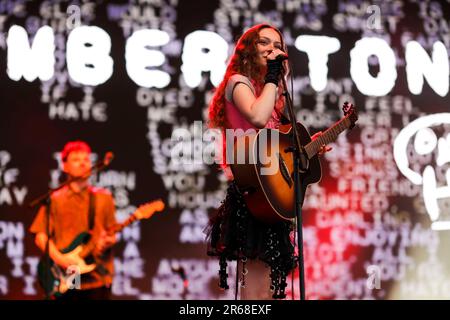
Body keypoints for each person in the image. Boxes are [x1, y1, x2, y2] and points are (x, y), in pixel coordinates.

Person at [206, 24, 330, 300]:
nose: (273, 49)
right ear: (249, 49)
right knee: (257, 289)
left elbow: (275, 147)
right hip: (253, 197)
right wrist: (273, 76)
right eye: (264, 43)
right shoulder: (238, 82)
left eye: (278, 45)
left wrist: (308, 148)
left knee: (275, 289)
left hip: (272, 194)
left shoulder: (272, 93)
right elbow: (258, 118)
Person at [30, 141, 117, 300]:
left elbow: (111, 233)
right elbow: (40, 236)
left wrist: (108, 241)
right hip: (69, 272)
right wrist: (61, 259)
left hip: (97, 274)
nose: (83, 163)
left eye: (86, 159)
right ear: (65, 166)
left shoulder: (103, 198)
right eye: (76, 159)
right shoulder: (55, 199)